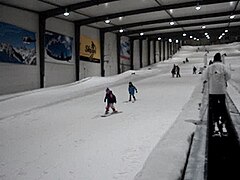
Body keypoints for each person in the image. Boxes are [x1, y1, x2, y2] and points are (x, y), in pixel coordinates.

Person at [202, 52, 231, 137]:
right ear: (220, 59)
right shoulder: (223, 67)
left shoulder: (210, 68)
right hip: (222, 91)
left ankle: (215, 125)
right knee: (223, 107)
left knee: (213, 108)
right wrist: (223, 79)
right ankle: (223, 124)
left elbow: (204, 77)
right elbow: (228, 76)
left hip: (212, 91)